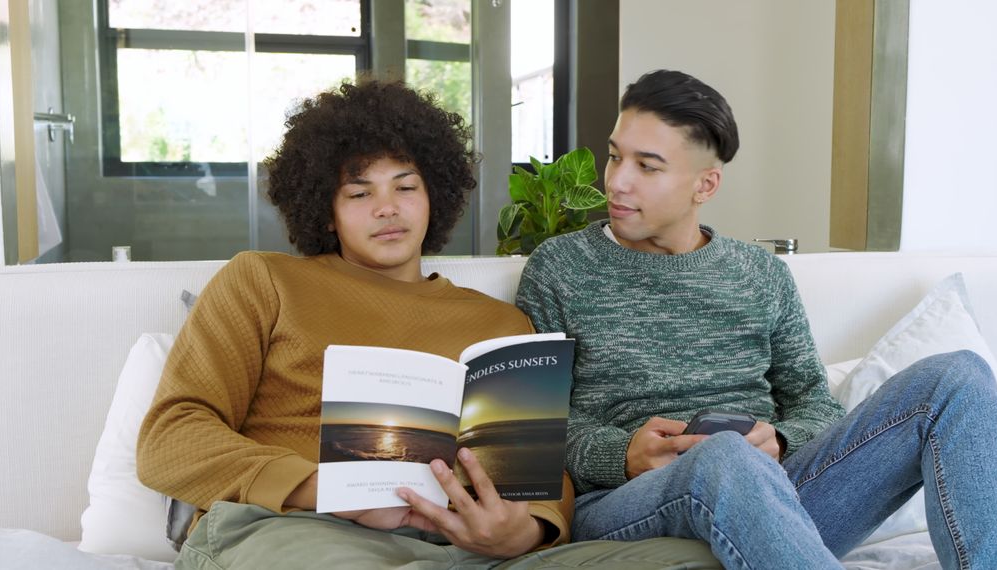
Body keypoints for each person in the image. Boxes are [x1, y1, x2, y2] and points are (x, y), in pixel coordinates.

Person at [137, 79, 721, 570]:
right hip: (293, 531)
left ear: (434, 195)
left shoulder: (499, 322)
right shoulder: (264, 280)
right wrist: (328, 491)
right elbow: (172, 437)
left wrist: (523, 532)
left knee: (688, 559)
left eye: (406, 187)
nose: (387, 208)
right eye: (359, 192)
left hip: (463, 547)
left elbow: (541, 476)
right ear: (325, 207)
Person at [515, 69, 997, 569]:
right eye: (614, 158)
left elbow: (815, 403)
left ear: (706, 185)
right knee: (723, 458)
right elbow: (527, 432)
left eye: (647, 167)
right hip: (626, 505)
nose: (618, 182)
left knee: (959, 378)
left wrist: (782, 441)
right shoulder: (559, 269)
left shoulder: (760, 274)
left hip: (780, 495)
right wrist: (621, 454)